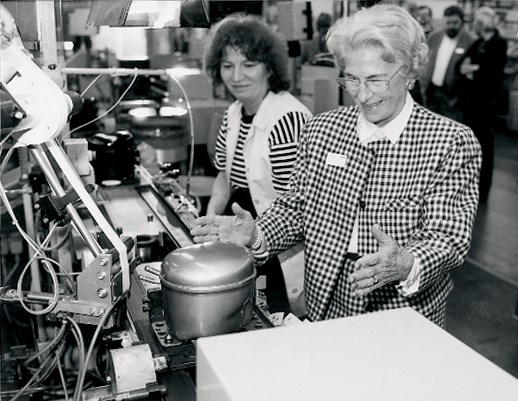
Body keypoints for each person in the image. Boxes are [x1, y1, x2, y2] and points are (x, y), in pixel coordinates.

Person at [192, 4, 481, 327]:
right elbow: (296, 209)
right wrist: (257, 233)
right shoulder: (321, 131)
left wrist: (406, 262)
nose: (363, 95)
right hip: (327, 305)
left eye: (376, 80)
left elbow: (447, 237)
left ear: (410, 74)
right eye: (352, 80)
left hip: (403, 316)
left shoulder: (449, 142)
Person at [203, 14, 312, 312]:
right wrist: (210, 218)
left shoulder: (287, 120)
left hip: (276, 252)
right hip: (242, 239)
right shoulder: (233, 113)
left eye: (249, 64)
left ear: (269, 66)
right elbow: (224, 179)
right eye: (228, 66)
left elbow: (295, 208)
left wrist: (252, 235)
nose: (237, 76)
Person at [457, 7, 507, 202]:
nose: (474, 25)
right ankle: (469, 186)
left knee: (485, 146)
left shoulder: (499, 43)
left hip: (486, 106)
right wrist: (471, 69)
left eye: (477, 21)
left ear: (484, 22)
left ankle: (482, 189)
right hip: (471, 104)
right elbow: (460, 65)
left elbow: (491, 73)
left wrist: (472, 70)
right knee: (470, 146)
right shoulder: (478, 43)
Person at [421, 5, 475, 121]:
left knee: (451, 127)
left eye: (455, 23)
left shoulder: (470, 41)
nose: (451, 26)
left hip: (452, 97)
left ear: (462, 22)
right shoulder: (434, 36)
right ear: (443, 21)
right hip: (432, 91)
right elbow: (426, 61)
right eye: (448, 23)